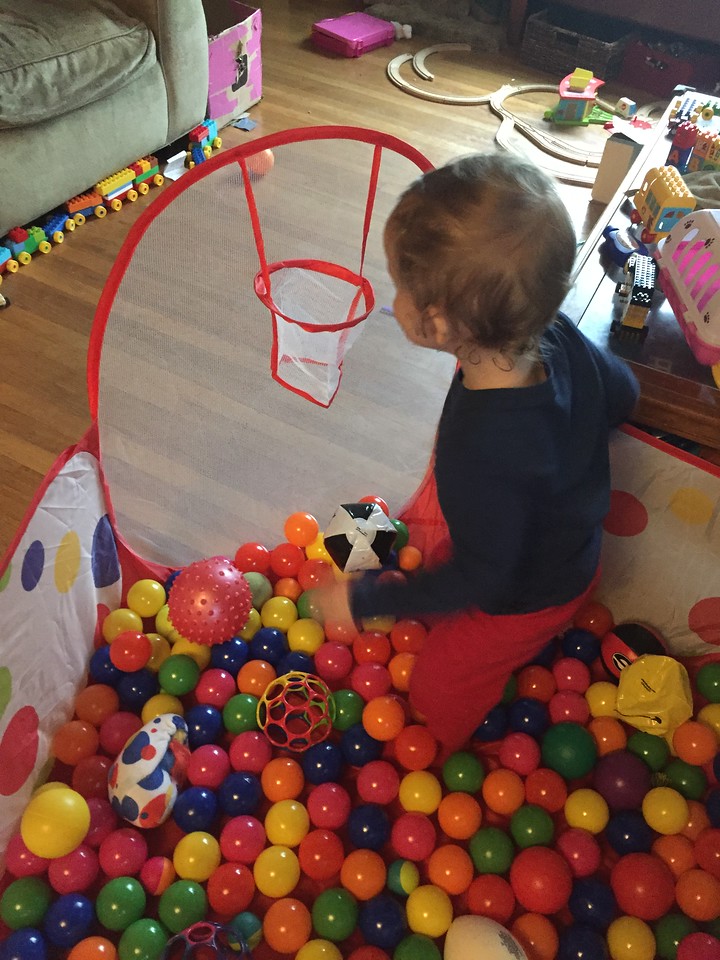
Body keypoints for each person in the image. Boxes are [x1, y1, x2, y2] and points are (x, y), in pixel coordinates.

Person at [317, 151, 639, 759]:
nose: (394, 297)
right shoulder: (557, 332)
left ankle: (438, 754)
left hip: (530, 593)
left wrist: (367, 601)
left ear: (438, 325)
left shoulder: (484, 447)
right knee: (387, 526)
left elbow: (487, 579)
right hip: (550, 537)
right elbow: (624, 393)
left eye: (401, 288)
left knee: (435, 686)